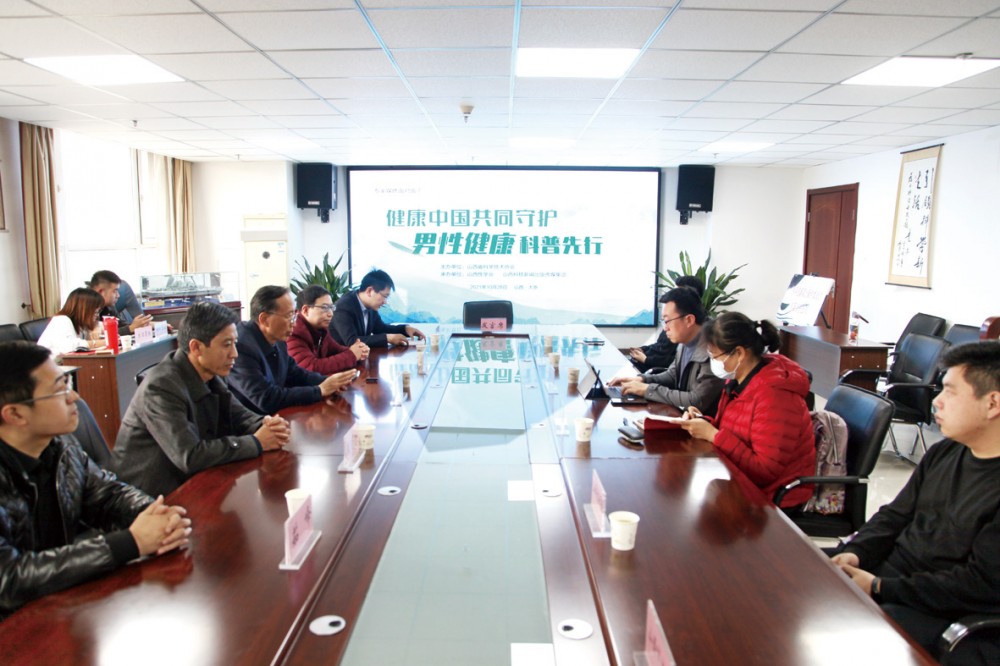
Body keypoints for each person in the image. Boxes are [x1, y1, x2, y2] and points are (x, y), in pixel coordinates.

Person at [833, 342, 1000, 664]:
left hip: (939, 608)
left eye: (950, 392)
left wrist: (880, 587)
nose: (936, 401)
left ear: (992, 403)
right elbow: (895, 515)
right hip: (890, 578)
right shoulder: (945, 451)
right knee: (796, 579)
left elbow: (978, 584)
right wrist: (856, 552)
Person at [0, 341, 191, 617]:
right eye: (59, 390)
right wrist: (131, 542)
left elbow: (108, 496)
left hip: (56, 608)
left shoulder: (61, 447)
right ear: (15, 414)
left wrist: (155, 515)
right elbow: (9, 578)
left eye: (67, 383)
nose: (74, 396)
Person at [112, 301, 292, 497]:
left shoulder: (210, 374)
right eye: (227, 344)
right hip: (149, 499)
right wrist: (256, 442)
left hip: (192, 483)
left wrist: (268, 424)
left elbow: (239, 416)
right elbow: (189, 456)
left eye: (235, 343)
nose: (235, 354)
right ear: (196, 347)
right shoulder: (160, 386)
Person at [679, 312, 815, 508]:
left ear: (740, 353)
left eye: (715, 356)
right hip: (739, 479)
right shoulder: (739, 381)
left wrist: (714, 435)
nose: (713, 363)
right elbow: (736, 429)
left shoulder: (775, 396)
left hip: (774, 496)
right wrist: (703, 422)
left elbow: (765, 471)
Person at [228, 285, 356, 415]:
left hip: (275, 418)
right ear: (265, 319)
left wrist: (328, 382)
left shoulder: (278, 338)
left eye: (294, 316)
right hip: (251, 423)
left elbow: (294, 373)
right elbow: (265, 398)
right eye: (289, 316)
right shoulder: (241, 347)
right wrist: (319, 391)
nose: (294, 323)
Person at [609, 286, 724, 415]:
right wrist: (642, 380)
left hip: (701, 422)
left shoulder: (714, 351)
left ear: (689, 320)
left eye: (667, 321)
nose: (665, 328)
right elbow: (672, 375)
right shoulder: (685, 341)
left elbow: (697, 400)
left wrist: (647, 390)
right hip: (684, 415)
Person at [628, 275, 705, 372]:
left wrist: (645, 360)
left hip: (651, 366)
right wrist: (643, 349)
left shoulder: (687, 332)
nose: (665, 327)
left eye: (677, 292)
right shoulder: (677, 327)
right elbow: (660, 347)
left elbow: (668, 363)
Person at [330, 269, 424, 348]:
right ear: (370, 291)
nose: (385, 302)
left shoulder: (370, 306)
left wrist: (405, 329)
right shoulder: (343, 307)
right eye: (384, 296)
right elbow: (352, 341)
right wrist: (387, 338)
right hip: (340, 361)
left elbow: (381, 329)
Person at [288, 285, 369, 374]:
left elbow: (337, 350)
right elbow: (310, 367)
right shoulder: (292, 333)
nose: (331, 314)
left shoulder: (320, 331)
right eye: (324, 308)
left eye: (331, 308)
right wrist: (352, 355)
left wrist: (360, 350)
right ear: (306, 310)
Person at [37, 287, 105, 357]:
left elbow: (104, 325)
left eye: (98, 311)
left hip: (65, 362)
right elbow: (69, 347)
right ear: (83, 309)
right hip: (47, 362)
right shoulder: (62, 320)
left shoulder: (81, 324)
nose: (97, 315)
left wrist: (97, 327)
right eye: (95, 311)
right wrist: (99, 343)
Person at [88, 270, 153, 333]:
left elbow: (121, 325)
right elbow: (99, 335)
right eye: (115, 291)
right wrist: (131, 328)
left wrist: (141, 324)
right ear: (101, 292)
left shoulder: (109, 307)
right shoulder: (86, 309)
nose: (118, 296)